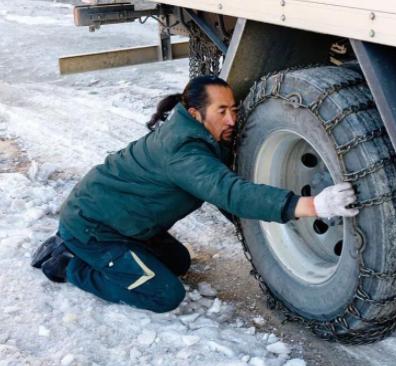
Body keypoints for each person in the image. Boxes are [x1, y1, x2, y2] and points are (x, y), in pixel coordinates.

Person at [31, 75, 359, 313]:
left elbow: (225, 192)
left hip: (128, 224)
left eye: (234, 108)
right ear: (195, 114)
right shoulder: (183, 152)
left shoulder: (199, 136)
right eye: (221, 111)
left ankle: (91, 250)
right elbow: (228, 191)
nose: (232, 119)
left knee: (179, 262)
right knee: (164, 295)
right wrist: (311, 205)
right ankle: (70, 264)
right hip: (95, 228)